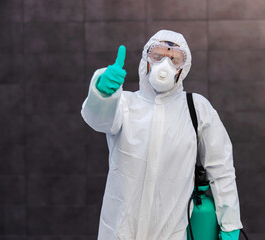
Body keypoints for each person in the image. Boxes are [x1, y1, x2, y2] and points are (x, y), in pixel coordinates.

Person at [81, 30, 243, 240]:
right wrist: (102, 94)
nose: (165, 65)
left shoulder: (196, 109)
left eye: (175, 59)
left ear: (183, 68)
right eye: (157, 56)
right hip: (119, 232)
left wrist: (229, 222)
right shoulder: (124, 104)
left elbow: (221, 167)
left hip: (171, 233)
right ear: (146, 60)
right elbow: (96, 118)